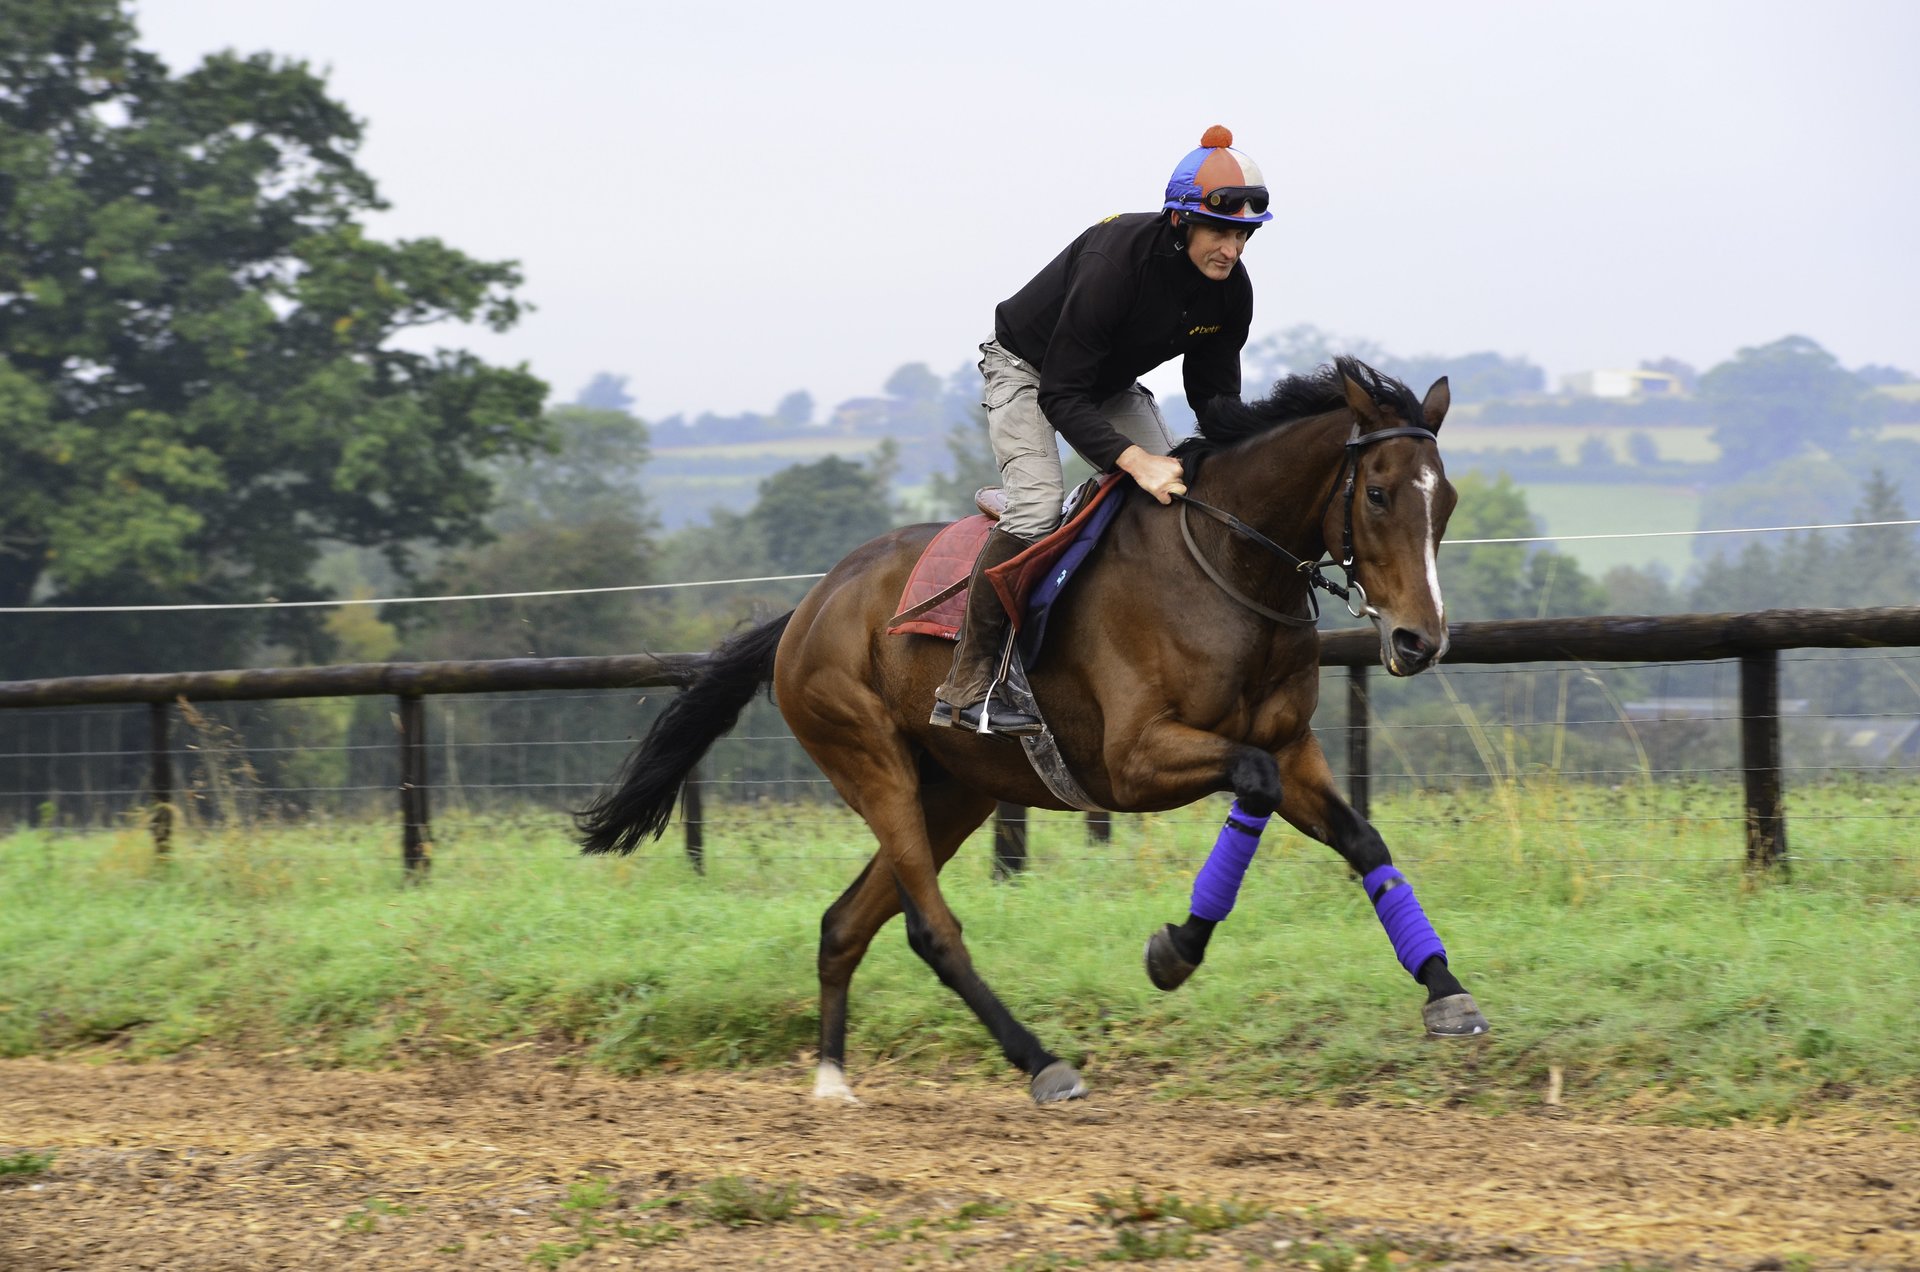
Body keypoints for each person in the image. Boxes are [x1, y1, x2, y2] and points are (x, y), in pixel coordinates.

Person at [931, 124, 1268, 735]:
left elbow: (1215, 400)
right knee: (1035, 512)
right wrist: (1133, 460)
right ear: (1179, 222)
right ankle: (967, 685)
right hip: (1029, 371)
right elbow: (1061, 391)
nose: (1232, 249)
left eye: (1243, 236)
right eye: (1220, 231)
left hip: (1105, 385)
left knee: (1186, 496)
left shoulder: (1231, 291)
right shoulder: (1116, 261)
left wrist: (1257, 445)